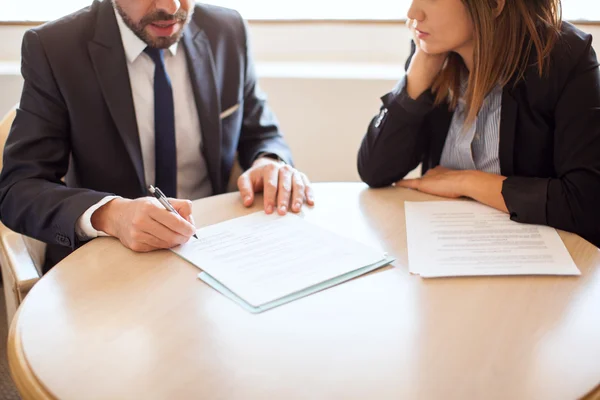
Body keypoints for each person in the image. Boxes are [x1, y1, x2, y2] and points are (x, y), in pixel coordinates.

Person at [0, 0, 315, 271]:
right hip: (103, 269)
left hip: (214, 256)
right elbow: (18, 190)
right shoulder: (55, 48)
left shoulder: (228, 30)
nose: (171, 7)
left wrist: (269, 161)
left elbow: (260, 132)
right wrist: (109, 214)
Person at [357, 0, 600, 247]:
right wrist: (417, 76)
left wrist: (465, 182)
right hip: (446, 248)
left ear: (494, 5)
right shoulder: (434, 49)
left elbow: (585, 205)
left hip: (532, 259)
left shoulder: (564, 56)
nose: (412, 13)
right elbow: (375, 170)